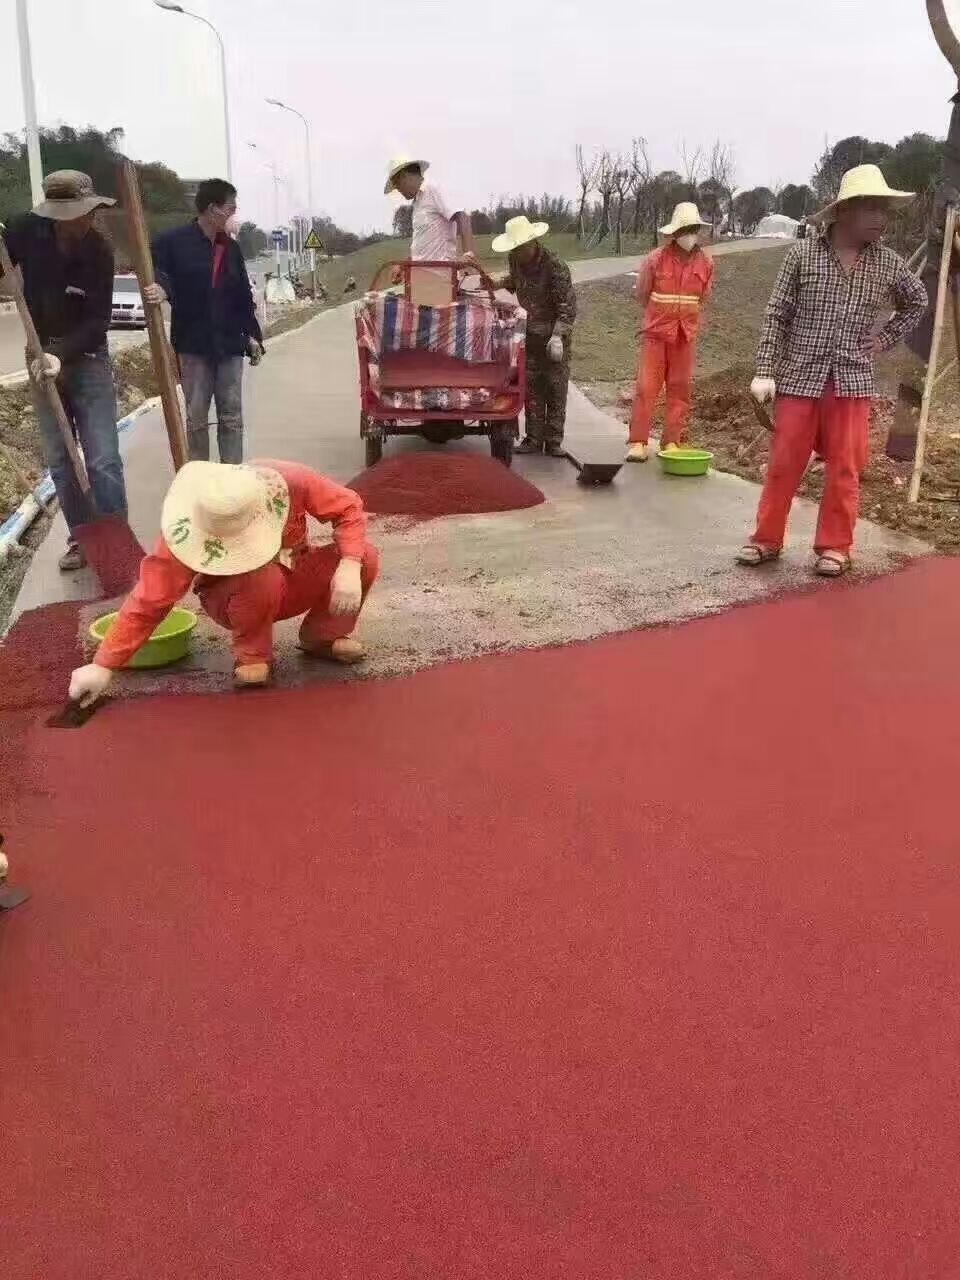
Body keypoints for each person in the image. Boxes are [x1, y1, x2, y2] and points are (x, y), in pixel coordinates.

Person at [739, 164, 927, 577]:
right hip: (799, 377)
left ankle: (836, 546)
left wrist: (884, 338)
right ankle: (766, 539)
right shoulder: (801, 255)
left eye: (885, 210)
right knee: (784, 463)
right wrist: (765, 369)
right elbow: (777, 314)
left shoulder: (888, 263)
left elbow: (917, 301)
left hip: (852, 381)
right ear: (843, 211)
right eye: (871, 208)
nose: (881, 218)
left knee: (845, 465)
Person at [67, 459, 380, 701]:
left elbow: (348, 507)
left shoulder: (290, 482)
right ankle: (253, 654)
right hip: (234, 596)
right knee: (260, 576)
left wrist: (349, 563)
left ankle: (322, 636)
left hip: (293, 574)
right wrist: (103, 664)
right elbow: (151, 598)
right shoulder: (184, 532)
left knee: (364, 555)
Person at [0, 170, 127, 571]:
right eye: (74, 214)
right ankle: (83, 540)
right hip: (38, 356)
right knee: (60, 461)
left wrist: (61, 354)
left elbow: (99, 321)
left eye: (87, 212)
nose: (83, 220)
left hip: (87, 358)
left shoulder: (99, 250)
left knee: (102, 458)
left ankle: (116, 542)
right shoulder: (25, 230)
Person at [145, 179, 264, 465]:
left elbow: (242, 296)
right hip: (193, 344)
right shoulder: (173, 242)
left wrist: (253, 335)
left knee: (231, 416)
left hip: (230, 344)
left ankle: (232, 476)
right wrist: (162, 288)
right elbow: (156, 270)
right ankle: (198, 476)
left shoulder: (231, 249)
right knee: (196, 416)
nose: (234, 213)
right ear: (213, 209)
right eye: (231, 208)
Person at [626, 202, 714, 463]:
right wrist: (660, 316)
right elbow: (643, 294)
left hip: (685, 334)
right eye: (685, 229)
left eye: (693, 229)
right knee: (646, 388)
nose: (690, 235)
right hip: (656, 333)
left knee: (680, 389)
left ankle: (672, 441)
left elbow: (703, 297)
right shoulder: (655, 259)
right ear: (675, 233)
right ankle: (638, 441)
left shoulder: (706, 263)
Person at [493, 215, 576, 456]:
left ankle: (554, 440)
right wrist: (498, 283)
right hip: (530, 333)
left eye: (522, 248)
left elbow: (567, 307)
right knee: (531, 387)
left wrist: (558, 336)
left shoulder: (555, 266)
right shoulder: (515, 260)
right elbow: (517, 282)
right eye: (515, 249)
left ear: (532, 242)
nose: (518, 253)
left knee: (555, 387)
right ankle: (533, 438)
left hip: (553, 333)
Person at [384, 155, 477, 263]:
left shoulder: (433, 189)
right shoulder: (417, 203)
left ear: (404, 176)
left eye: (397, 185)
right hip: (421, 270)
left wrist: (468, 255)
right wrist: (407, 263)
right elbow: (425, 245)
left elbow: (463, 216)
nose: (398, 190)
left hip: (441, 270)